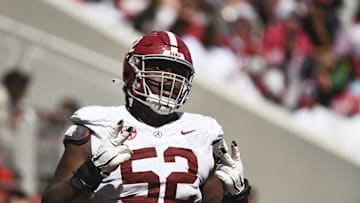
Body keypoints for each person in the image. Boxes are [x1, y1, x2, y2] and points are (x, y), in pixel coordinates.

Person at [42, 31, 251, 203]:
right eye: (158, 69)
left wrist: (237, 197)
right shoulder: (99, 125)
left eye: (178, 73)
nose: (168, 81)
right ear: (132, 71)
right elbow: (52, 200)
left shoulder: (204, 132)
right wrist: (89, 174)